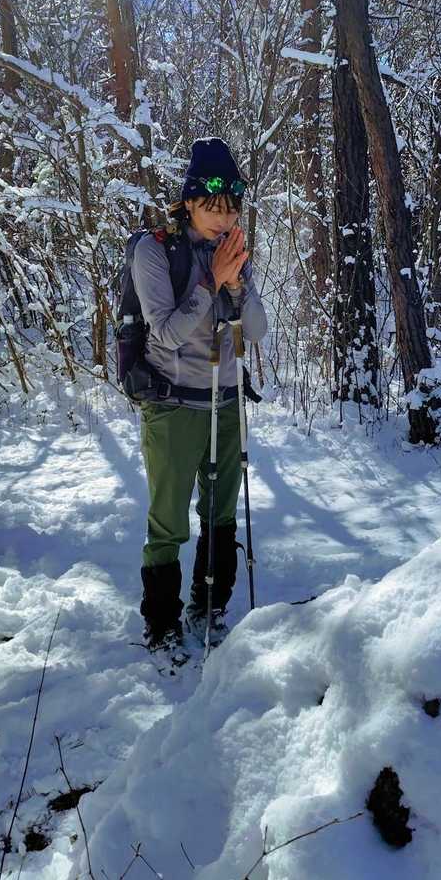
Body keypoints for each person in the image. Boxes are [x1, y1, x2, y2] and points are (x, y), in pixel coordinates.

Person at [131, 137, 268, 652]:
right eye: (212, 207)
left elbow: (257, 330)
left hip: (225, 400)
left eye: (231, 209)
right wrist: (212, 282)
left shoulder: (232, 250)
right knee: (168, 521)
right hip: (172, 404)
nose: (223, 219)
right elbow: (166, 333)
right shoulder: (153, 251)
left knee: (221, 513)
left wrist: (236, 285)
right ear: (188, 201)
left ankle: (210, 606)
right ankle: (161, 624)